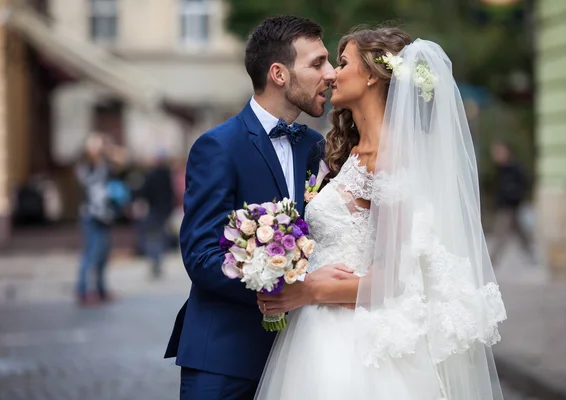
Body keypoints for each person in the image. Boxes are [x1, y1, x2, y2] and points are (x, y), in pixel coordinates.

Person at [256, 28, 507, 399]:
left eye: (341, 63)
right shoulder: (349, 154)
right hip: (320, 328)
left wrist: (307, 291)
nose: (331, 74)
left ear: (372, 75)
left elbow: (394, 280)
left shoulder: (392, 159)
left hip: (354, 342)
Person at [164, 16, 340, 400]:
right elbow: (201, 255)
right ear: (279, 73)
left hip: (300, 360)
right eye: (317, 63)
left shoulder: (314, 147)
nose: (331, 74)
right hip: (224, 358)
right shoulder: (218, 146)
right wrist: (277, 286)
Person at [75, 133, 127, 306]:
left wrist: (109, 150)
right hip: (91, 215)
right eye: (95, 144)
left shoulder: (104, 163)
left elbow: (123, 161)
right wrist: (98, 158)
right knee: (91, 253)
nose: (98, 147)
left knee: (103, 254)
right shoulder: (86, 165)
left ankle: (101, 289)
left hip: (105, 215)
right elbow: (89, 181)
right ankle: (82, 290)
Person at [488, 141, 533, 266]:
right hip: (506, 206)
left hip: (511, 206)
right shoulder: (500, 170)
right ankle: (530, 254)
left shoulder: (515, 169)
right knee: (518, 232)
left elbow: (523, 185)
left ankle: (492, 260)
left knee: (502, 233)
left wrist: (513, 195)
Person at [141, 150, 175, 278]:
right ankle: (158, 261)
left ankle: (155, 261)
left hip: (154, 209)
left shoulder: (151, 175)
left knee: (152, 237)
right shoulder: (167, 175)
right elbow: (170, 193)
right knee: (160, 236)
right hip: (164, 210)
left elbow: (145, 192)